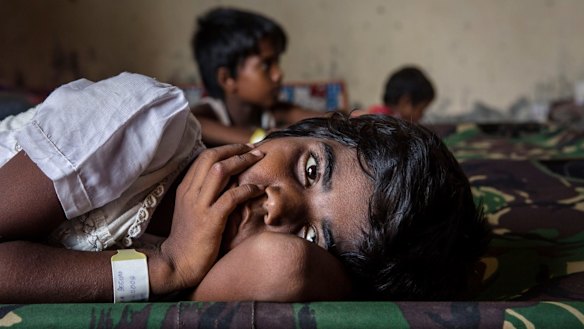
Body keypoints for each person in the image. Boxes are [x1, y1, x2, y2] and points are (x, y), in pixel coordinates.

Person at [0, 73, 490, 303]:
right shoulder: (142, 123)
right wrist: (163, 265)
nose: (277, 207)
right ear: (306, 130)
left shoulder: (222, 271)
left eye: (315, 236)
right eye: (312, 170)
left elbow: (285, 267)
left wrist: (175, 270)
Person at [190, 7, 326, 146]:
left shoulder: (275, 112)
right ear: (227, 79)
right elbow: (192, 124)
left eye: (277, 62)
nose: (278, 74)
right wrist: (264, 138)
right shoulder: (206, 116)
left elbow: (329, 121)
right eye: (266, 65)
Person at [366, 66, 435, 123]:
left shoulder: (374, 115)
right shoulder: (387, 123)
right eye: (421, 109)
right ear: (406, 102)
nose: (421, 116)